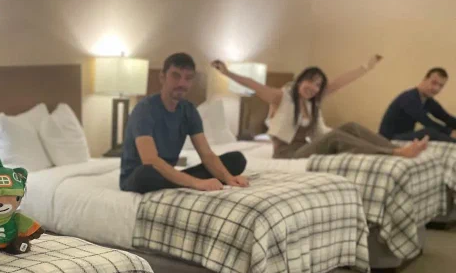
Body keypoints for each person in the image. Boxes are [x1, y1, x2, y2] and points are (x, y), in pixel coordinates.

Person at [212, 56, 429, 160]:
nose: (314, 88)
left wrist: (366, 67)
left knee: (351, 126)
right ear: (300, 80)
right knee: (335, 137)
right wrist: (227, 72)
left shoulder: (312, 102)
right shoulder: (281, 97)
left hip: (304, 148)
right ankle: (394, 152)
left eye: (318, 85)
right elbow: (253, 84)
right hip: (287, 154)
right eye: (310, 82)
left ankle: (394, 147)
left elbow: (340, 82)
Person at [120, 52, 249, 194]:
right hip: (140, 176)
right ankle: (183, 182)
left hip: (166, 175)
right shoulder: (145, 109)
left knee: (236, 160)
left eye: (188, 78)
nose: (182, 83)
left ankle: (178, 182)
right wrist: (197, 183)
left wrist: (229, 178)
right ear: (162, 77)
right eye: (176, 76)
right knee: (146, 173)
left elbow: (206, 154)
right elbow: (150, 159)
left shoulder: (189, 110)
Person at [379, 68, 456, 142]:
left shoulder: (427, 100)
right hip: (388, 139)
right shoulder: (409, 98)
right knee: (430, 132)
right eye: (434, 83)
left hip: (403, 136)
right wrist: (450, 132)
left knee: (443, 128)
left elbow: (446, 117)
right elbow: (427, 122)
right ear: (425, 79)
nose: (436, 88)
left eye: (441, 86)